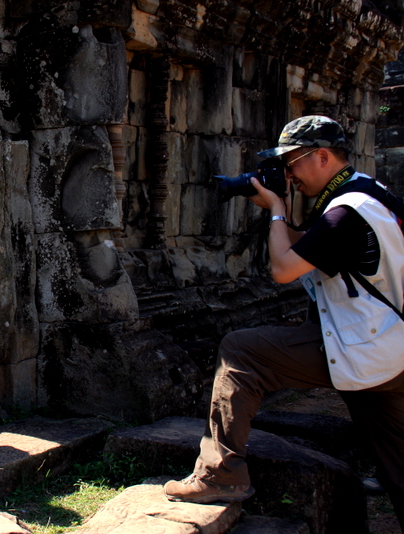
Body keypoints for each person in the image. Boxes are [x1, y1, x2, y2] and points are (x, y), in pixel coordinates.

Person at [163, 115, 404, 529]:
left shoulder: (346, 211)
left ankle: (220, 474)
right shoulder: (366, 192)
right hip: (390, 349)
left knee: (242, 350)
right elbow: (311, 250)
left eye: (292, 164)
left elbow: (283, 268)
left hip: (364, 347)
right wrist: (281, 210)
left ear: (322, 156)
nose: (289, 174)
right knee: (397, 462)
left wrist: (276, 210)